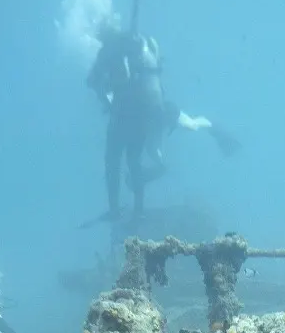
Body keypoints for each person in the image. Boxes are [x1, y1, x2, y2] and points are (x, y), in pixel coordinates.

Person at [85, 20, 237, 225]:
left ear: (103, 35)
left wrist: (106, 99)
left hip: (136, 117)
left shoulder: (110, 51)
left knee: (117, 159)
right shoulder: (141, 43)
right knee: (181, 130)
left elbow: (94, 81)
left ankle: (118, 210)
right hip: (156, 111)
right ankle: (213, 128)